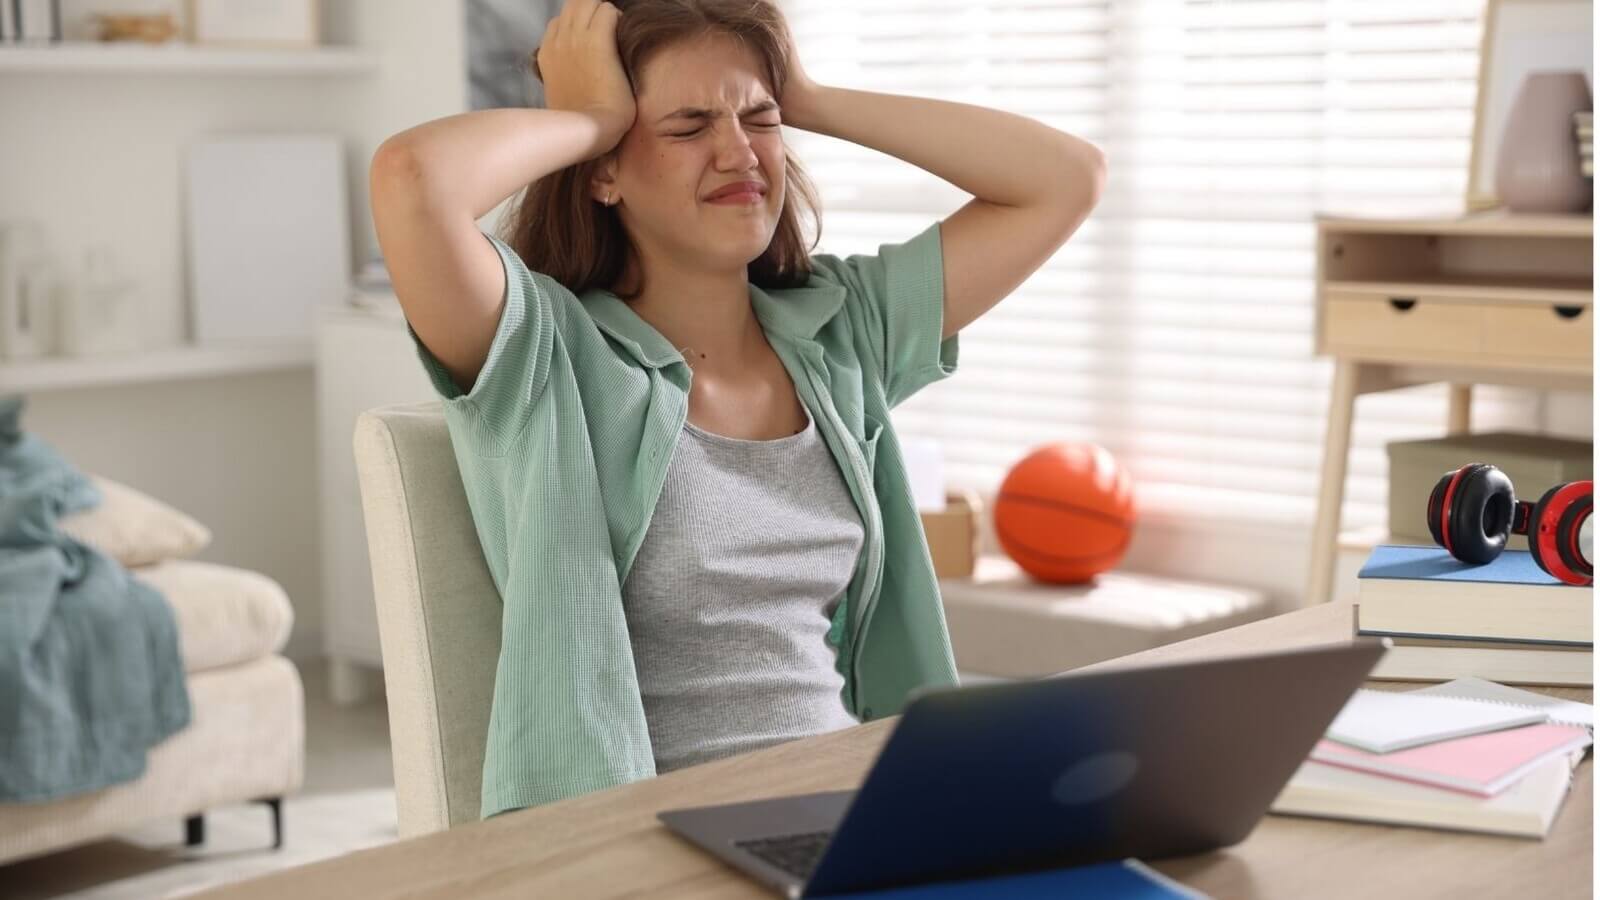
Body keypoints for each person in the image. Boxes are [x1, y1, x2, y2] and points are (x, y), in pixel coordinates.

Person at [368, 0, 1105, 820]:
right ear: (604, 173)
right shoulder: (548, 356)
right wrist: (592, 118)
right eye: (688, 127)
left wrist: (806, 96)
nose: (739, 153)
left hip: (856, 806)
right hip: (638, 842)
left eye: (759, 121)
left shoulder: (841, 333)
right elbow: (412, 180)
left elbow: (1066, 179)